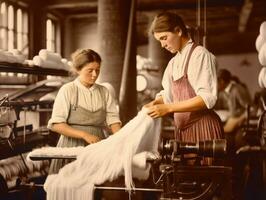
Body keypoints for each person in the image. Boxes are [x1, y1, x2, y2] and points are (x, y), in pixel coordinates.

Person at [145, 12, 223, 156]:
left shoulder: (200, 55)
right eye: (159, 41)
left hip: (203, 129)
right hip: (183, 132)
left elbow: (206, 99)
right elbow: (168, 96)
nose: (162, 45)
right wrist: (154, 103)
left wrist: (168, 108)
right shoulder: (173, 63)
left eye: (164, 38)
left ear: (178, 31)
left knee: (204, 176)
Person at [47, 49, 121, 174]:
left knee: (94, 187)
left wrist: (121, 140)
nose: (94, 75)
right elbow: (56, 124)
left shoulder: (104, 92)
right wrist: (84, 135)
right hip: (71, 146)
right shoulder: (68, 90)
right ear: (78, 70)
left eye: (97, 70)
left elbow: (113, 120)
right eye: (90, 70)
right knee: (69, 185)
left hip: (97, 145)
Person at [216, 69, 251, 133]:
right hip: (232, 120)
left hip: (242, 124)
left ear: (222, 81)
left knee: (221, 133)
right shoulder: (224, 92)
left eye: (216, 82)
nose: (215, 85)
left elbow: (251, 109)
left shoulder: (237, 90)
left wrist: (238, 120)